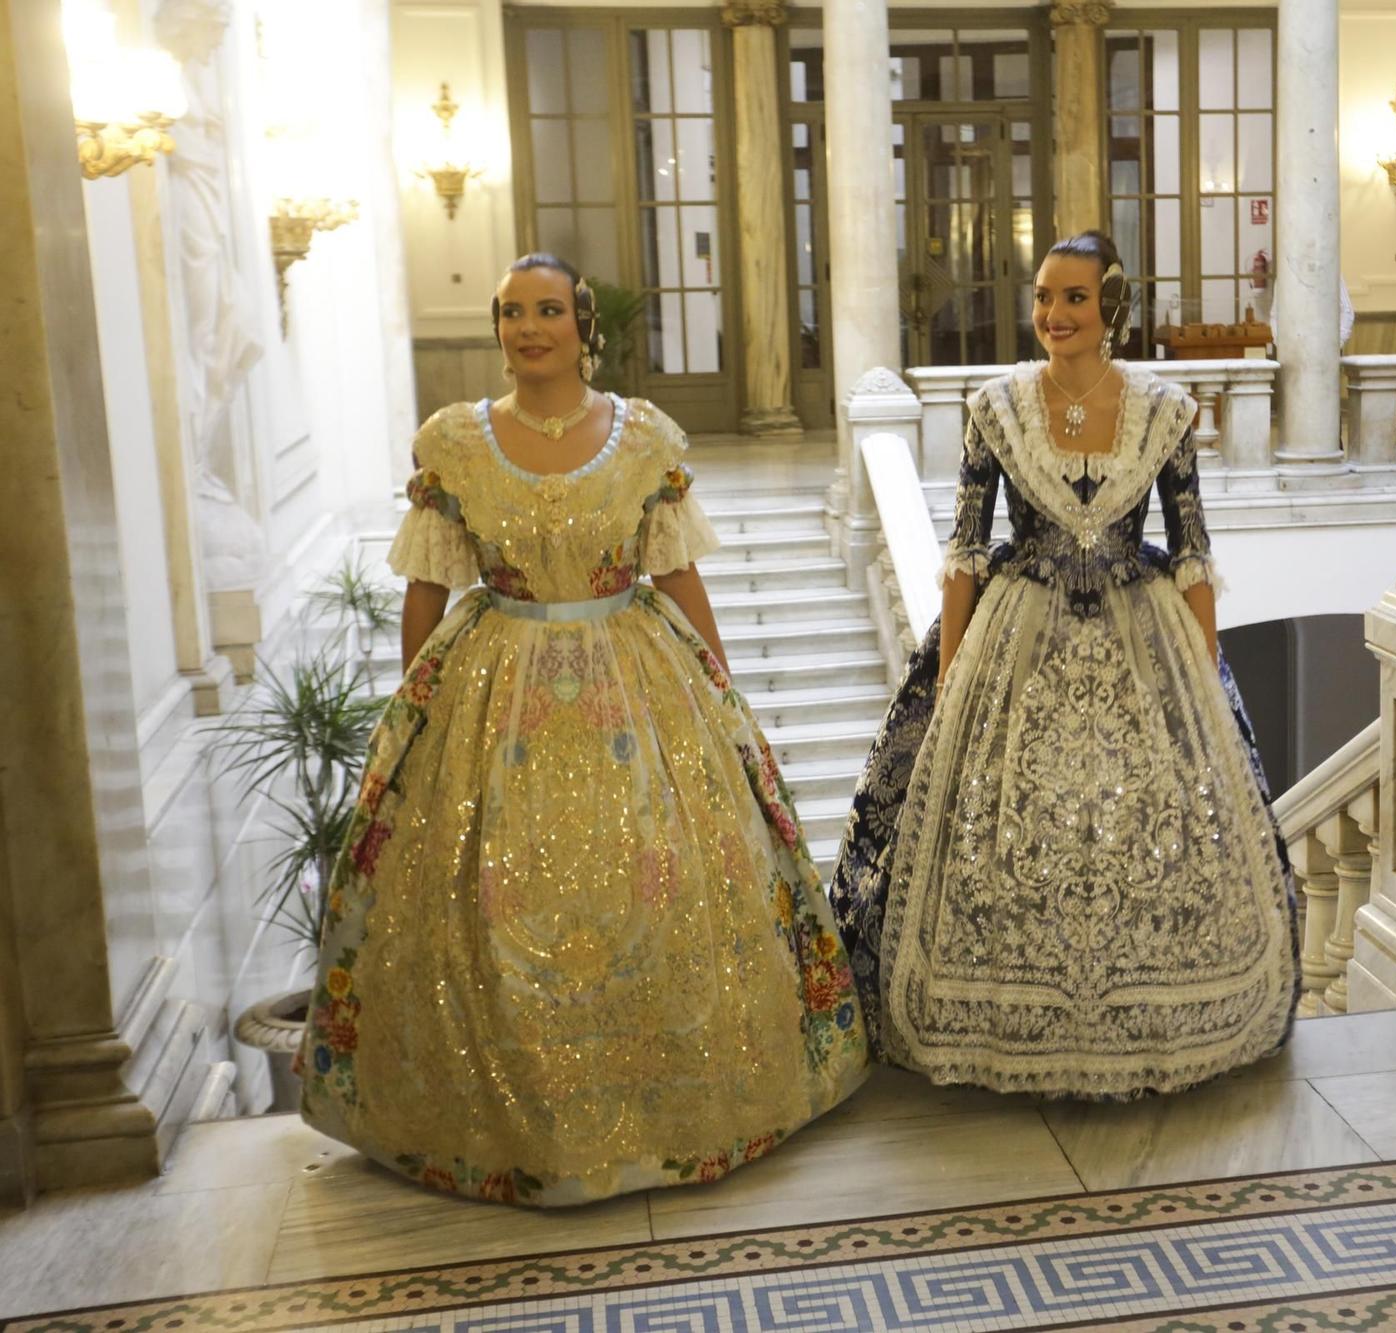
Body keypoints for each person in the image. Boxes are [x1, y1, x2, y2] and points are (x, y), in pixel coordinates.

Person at [295, 254, 868, 1206]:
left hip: (636, 680)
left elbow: (678, 575)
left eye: (547, 310)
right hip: (492, 687)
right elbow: (428, 588)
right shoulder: (454, 443)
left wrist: (721, 697)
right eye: (512, 312)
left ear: (581, 323)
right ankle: (509, 1128)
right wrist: (414, 717)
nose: (529, 327)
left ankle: (676, 1110)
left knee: (658, 883)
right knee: (495, 904)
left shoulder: (645, 436)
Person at [829, 231, 1300, 1100]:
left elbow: (1192, 548)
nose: (1053, 314)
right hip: (1021, 627)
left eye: (1073, 298)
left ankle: (1145, 1015)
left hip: (1139, 623)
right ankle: (1006, 1016)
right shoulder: (996, 406)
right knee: (1001, 830)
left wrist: (1204, 671)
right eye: (1044, 296)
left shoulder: (1165, 410)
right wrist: (950, 676)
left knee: (1140, 830)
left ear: (1110, 306)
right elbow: (967, 551)